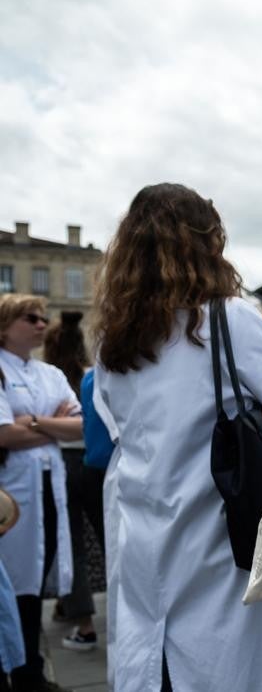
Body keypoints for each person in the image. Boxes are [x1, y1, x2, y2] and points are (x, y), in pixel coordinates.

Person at [93, 183, 262, 692]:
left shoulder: (113, 336)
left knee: (153, 656)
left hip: (140, 525)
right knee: (224, 662)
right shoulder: (229, 319)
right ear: (207, 243)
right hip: (217, 527)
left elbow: (116, 424)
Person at [0, 294, 82, 692]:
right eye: (29, 318)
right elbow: (3, 435)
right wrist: (52, 424)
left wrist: (30, 421)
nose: (40, 324)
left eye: (42, 318)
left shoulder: (49, 373)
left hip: (49, 489)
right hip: (11, 493)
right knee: (12, 580)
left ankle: (30, 668)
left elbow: (80, 426)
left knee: (35, 575)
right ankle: (15, 668)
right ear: (4, 326)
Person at [42, 313, 103, 653]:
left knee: (72, 545)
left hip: (62, 465)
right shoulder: (91, 377)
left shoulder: (47, 383)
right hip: (95, 464)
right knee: (110, 539)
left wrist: (41, 423)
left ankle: (84, 626)